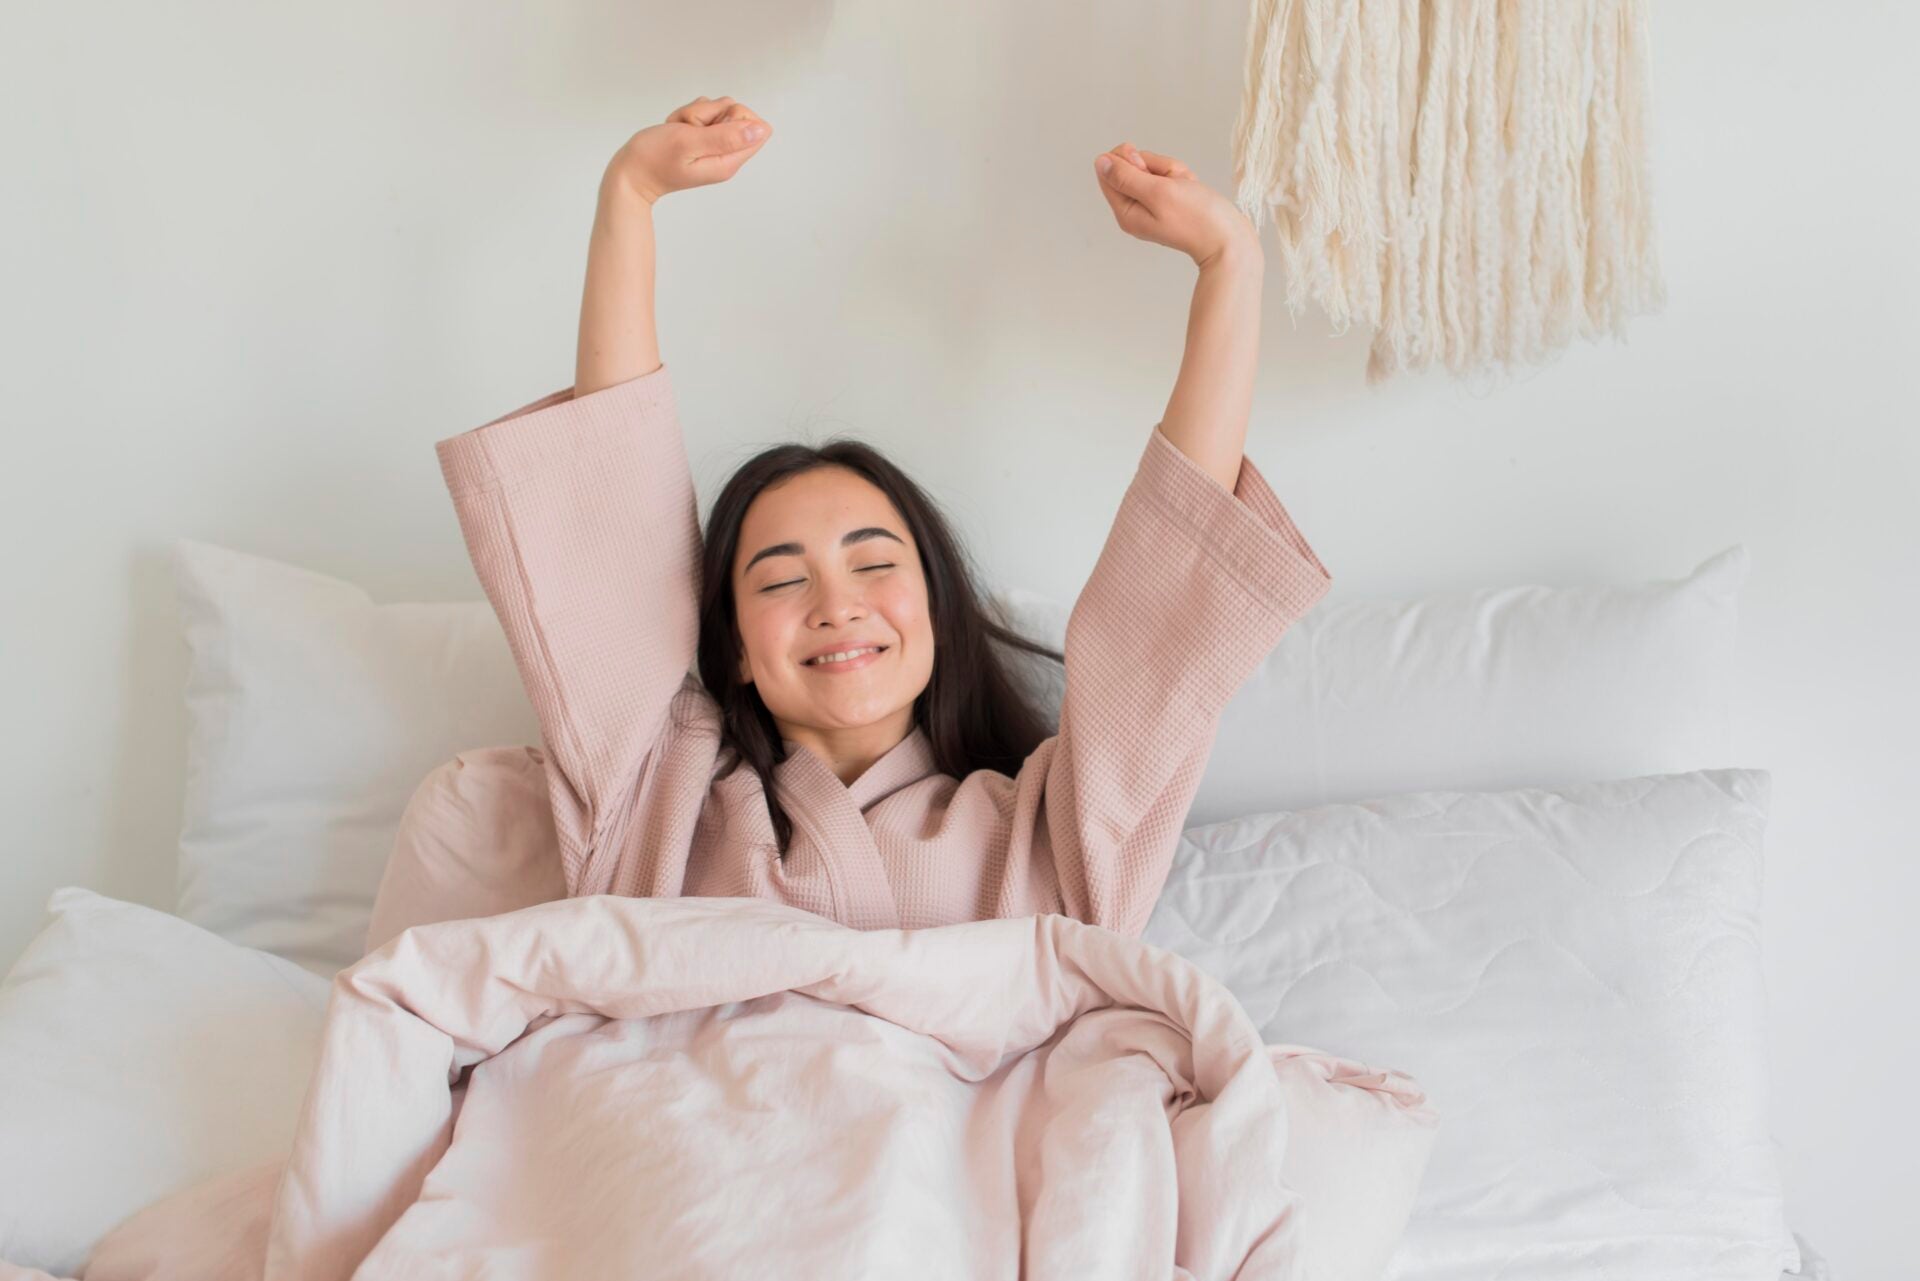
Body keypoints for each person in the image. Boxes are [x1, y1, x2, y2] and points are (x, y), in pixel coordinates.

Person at [432, 95, 1332, 937]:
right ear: (736, 646)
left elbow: (1160, 616)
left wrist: (1231, 267)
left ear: (935, 607)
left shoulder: (1050, 839)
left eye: (874, 564)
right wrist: (627, 197)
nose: (838, 603)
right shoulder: (653, 800)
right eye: (782, 578)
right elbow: (611, 508)